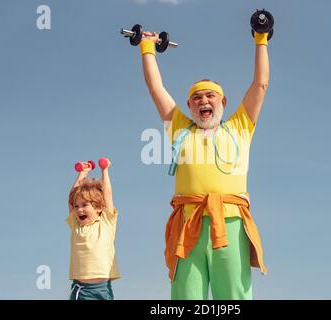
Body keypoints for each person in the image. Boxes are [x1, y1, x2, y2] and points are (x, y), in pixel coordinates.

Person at [138, 22, 270, 300]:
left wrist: (261, 38)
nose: (203, 101)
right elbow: (155, 88)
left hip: (231, 222)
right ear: (189, 107)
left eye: (210, 96)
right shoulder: (180, 129)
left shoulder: (239, 127)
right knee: (187, 297)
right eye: (196, 98)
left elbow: (260, 85)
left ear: (223, 102)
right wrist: (147, 48)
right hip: (188, 225)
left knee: (233, 297)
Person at [66, 158, 120, 300]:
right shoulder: (76, 226)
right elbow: (71, 200)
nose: (79, 210)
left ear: (97, 207)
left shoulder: (106, 222)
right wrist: (82, 174)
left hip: (103, 289)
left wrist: (105, 170)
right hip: (82, 290)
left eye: (84, 205)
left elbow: (107, 194)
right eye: (77, 207)